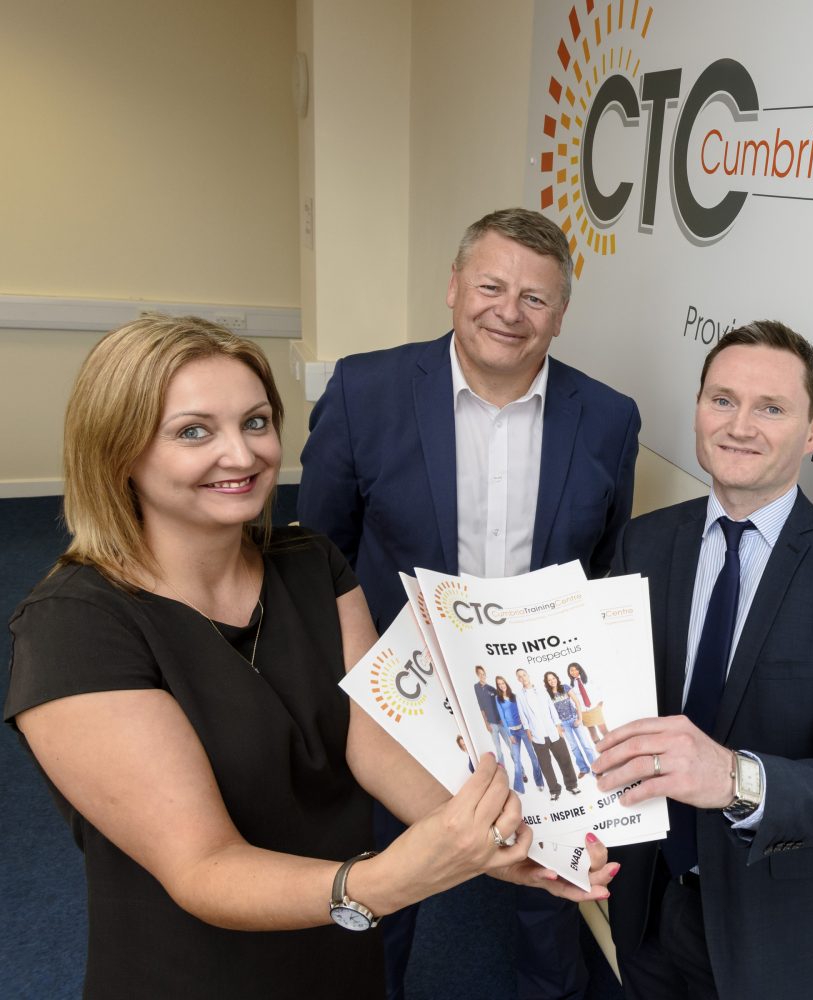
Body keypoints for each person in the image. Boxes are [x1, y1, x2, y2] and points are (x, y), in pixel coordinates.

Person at [3, 315, 612, 1000]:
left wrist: (500, 841)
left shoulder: (312, 564)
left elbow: (376, 745)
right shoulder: (75, 628)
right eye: (193, 431)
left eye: (256, 422)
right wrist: (387, 881)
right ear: (118, 452)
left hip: (338, 940)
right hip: (196, 970)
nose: (241, 455)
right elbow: (202, 868)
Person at [298, 207, 640, 1000]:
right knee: (390, 880)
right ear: (454, 287)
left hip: (540, 699)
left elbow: (604, 563)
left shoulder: (610, 418)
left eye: (535, 299)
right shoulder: (366, 389)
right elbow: (319, 553)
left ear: (560, 315)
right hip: (404, 692)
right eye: (491, 285)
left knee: (551, 888)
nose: (508, 312)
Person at [593, 321, 813, 1000]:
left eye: (771, 408)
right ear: (699, 407)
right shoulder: (643, 544)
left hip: (770, 938)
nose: (740, 425)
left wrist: (735, 777)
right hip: (644, 905)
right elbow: (605, 712)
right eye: (722, 400)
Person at [515, 667, 580, 800]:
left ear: (528, 675)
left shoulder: (541, 690)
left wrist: (558, 726)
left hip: (552, 730)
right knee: (545, 765)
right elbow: (522, 714)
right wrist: (528, 731)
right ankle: (554, 789)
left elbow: (551, 707)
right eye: (520, 676)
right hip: (537, 735)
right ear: (518, 679)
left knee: (565, 759)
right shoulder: (520, 696)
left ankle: (572, 784)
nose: (523, 678)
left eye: (524, 675)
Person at [494, 673, 541, 793]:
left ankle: (539, 782)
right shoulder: (497, 699)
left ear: (506, 684)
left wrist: (527, 726)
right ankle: (519, 788)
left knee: (533, 756)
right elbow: (502, 718)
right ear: (498, 686)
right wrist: (509, 734)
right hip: (512, 732)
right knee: (516, 760)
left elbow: (523, 712)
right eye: (499, 684)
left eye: (503, 683)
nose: (501, 686)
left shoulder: (515, 696)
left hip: (523, 730)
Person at [545, 669, 597, 776]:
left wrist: (580, 719)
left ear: (556, 678)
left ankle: (596, 767)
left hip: (574, 719)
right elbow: (550, 712)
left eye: (553, 678)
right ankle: (583, 768)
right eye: (549, 680)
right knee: (574, 748)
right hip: (564, 724)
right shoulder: (548, 695)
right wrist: (558, 726)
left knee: (586, 745)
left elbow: (577, 702)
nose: (552, 681)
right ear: (547, 682)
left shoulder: (565, 687)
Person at [567, 661, 608, 743]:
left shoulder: (589, 679)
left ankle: (613, 746)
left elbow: (599, 688)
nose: (574, 672)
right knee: (592, 732)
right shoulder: (571, 685)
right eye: (571, 670)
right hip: (583, 711)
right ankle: (602, 750)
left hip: (594, 708)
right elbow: (572, 700)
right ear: (569, 672)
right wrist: (577, 710)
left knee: (603, 729)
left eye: (576, 669)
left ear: (579, 670)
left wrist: (600, 702)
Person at [473, 665, 508, 758]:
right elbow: (481, 706)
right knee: (498, 749)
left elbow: (502, 702)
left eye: (483, 674)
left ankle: (521, 770)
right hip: (491, 723)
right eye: (480, 674)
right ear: (477, 675)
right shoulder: (476, 687)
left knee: (511, 745)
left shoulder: (492, 689)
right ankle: (503, 768)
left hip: (500, 722)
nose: (482, 676)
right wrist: (486, 723)